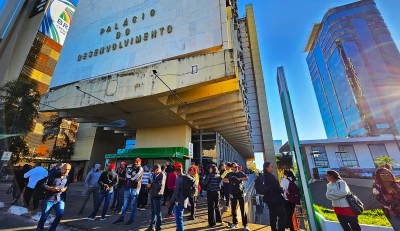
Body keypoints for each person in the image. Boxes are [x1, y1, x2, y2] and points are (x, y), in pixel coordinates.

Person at [36, 163, 71, 231]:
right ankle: (39, 229)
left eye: (68, 169)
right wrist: (51, 188)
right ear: (61, 168)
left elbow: (67, 185)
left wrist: (65, 189)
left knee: (60, 214)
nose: (66, 171)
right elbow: (43, 185)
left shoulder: (67, 177)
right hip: (49, 199)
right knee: (44, 217)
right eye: (65, 169)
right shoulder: (52, 175)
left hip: (60, 200)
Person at [113, 158, 144, 226]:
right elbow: (127, 176)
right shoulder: (133, 168)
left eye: (137, 162)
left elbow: (134, 178)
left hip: (136, 188)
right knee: (125, 204)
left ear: (139, 162)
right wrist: (131, 176)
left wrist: (131, 177)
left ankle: (131, 220)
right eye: (135, 161)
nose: (135, 163)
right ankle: (121, 218)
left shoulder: (140, 168)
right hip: (130, 187)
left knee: (133, 205)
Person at [224, 162, 249, 230]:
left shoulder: (240, 173)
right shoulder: (230, 174)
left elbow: (247, 178)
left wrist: (239, 179)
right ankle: (234, 223)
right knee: (233, 209)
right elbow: (224, 179)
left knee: (242, 209)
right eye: (235, 167)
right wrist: (231, 179)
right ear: (232, 168)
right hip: (233, 193)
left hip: (241, 193)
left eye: (237, 166)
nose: (236, 168)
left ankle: (245, 225)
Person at [263, 162, 286, 231]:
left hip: (268, 198)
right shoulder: (271, 176)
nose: (273, 167)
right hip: (275, 199)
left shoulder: (264, 176)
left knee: (273, 215)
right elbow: (276, 187)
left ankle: (273, 229)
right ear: (267, 168)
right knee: (283, 216)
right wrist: (282, 190)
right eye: (271, 166)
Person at [166, 162, 188, 231]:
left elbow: (175, 193)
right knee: (180, 218)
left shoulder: (178, 179)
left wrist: (170, 202)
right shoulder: (185, 177)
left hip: (179, 201)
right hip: (184, 200)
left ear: (176, 170)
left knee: (179, 220)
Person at [146, 164, 166, 231]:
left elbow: (159, 185)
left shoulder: (162, 175)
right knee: (153, 211)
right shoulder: (154, 175)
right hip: (152, 194)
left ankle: (158, 227)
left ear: (158, 169)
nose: (154, 172)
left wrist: (151, 184)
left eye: (155, 170)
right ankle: (152, 226)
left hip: (157, 195)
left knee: (158, 212)